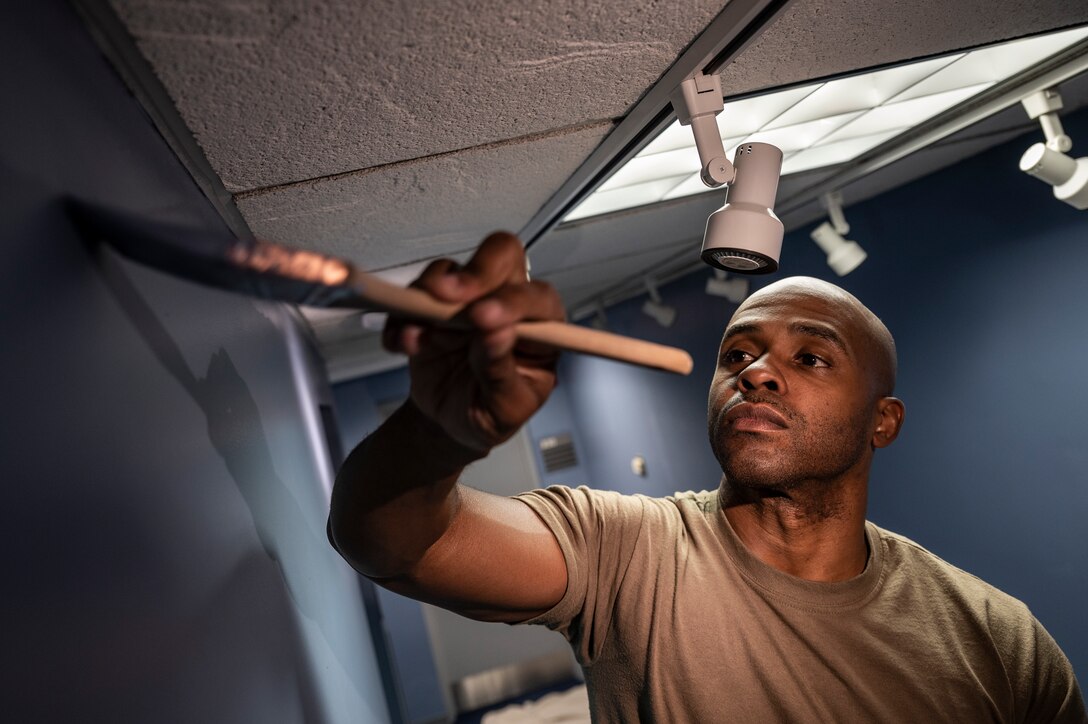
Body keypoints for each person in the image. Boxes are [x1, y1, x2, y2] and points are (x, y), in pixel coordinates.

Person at [328, 232, 1086, 722]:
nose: (756, 373)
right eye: (738, 355)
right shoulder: (627, 551)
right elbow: (396, 543)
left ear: (882, 422)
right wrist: (438, 433)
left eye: (810, 357)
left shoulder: (1003, 643)